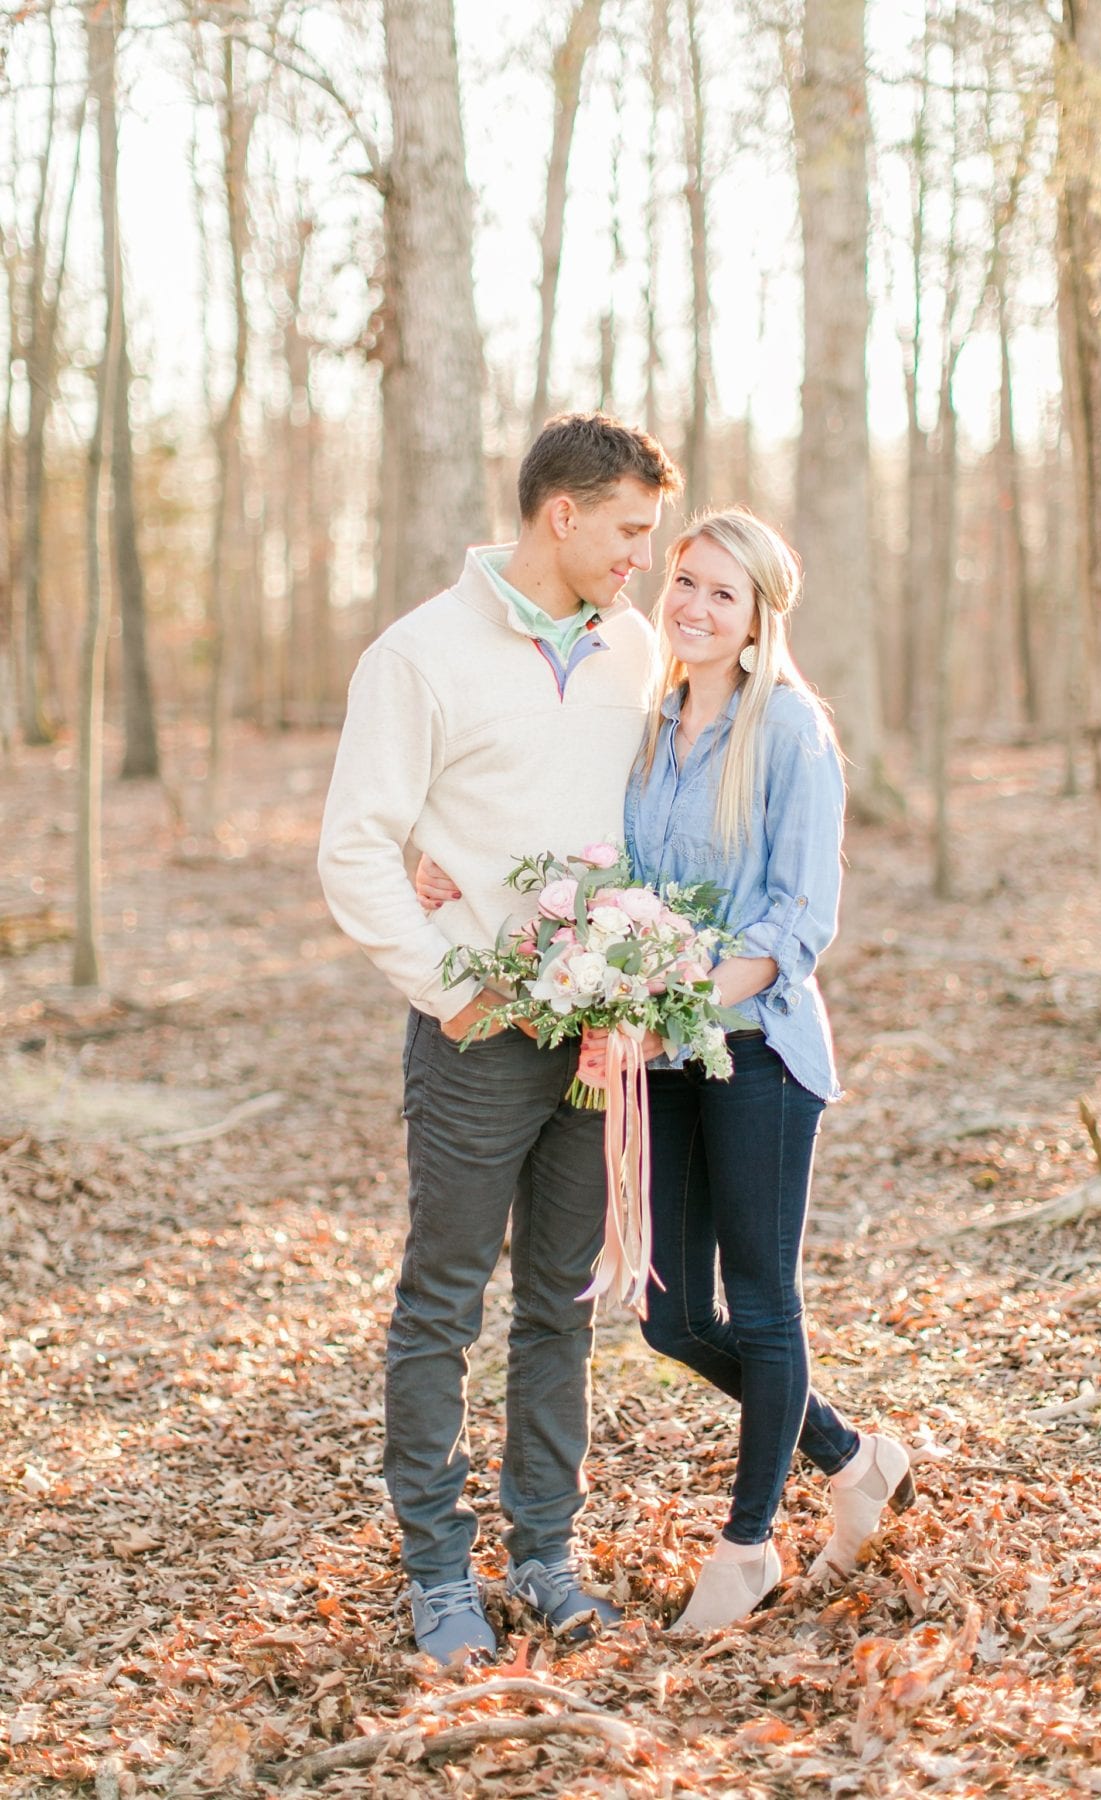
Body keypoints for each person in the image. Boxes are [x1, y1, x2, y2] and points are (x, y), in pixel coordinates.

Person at [317, 412, 684, 1664]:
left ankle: (543, 1548)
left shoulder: (635, 649)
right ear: (560, 514)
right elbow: (355, 843)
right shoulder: (419, 656)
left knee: (560, 1306)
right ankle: (435, 1571)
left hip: (598, 1044)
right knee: (441, 1304)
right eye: (630, 530)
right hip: (477, 1039)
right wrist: (446, 988)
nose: (645, 555)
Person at [620, 507, 915, 1631]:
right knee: (668, 1318)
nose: (693, 605)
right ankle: (853, 1455)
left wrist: (686, 995)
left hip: (760, 1054)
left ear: (756, 620)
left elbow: (802, 921)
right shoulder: (651, 730)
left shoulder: (789, 731)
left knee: (762, 1298)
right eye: (684, 581)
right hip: (665, 1054)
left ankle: (746, 1549)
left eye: (721, 592)